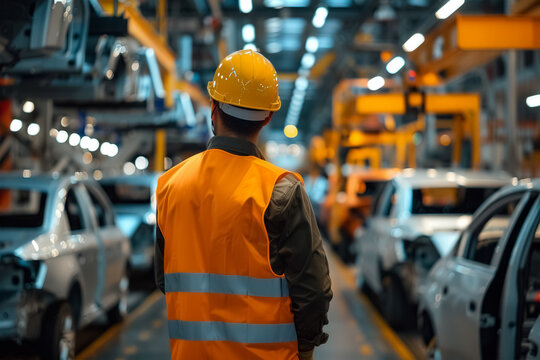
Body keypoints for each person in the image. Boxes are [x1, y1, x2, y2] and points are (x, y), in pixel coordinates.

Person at [154, 49, 332, 360]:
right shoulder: (281, 190)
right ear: (269, 116)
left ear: (213, 107)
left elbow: (165, 278)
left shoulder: (170, 185)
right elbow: (313, 291)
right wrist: (305, 348)